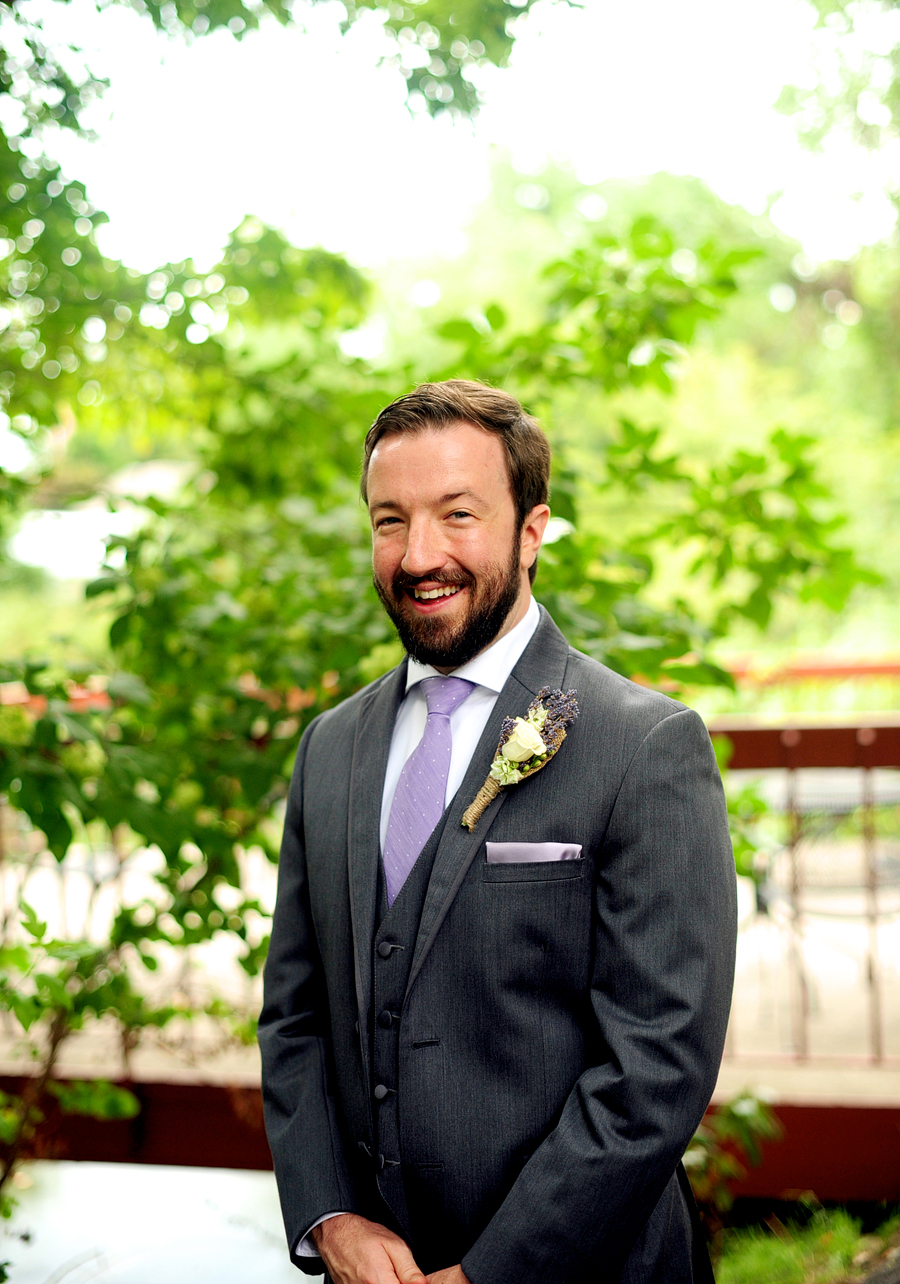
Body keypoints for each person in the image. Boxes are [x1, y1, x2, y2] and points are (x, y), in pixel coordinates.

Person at [259, 379, 737, 1284]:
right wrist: (328, 1217)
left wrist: (493, 1274)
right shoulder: (329, 749)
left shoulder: (646, 746)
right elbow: (295, 1018)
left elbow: (659, 1063)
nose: (417, 555)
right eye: (389, 520)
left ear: (532, 529)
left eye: (458, 515)